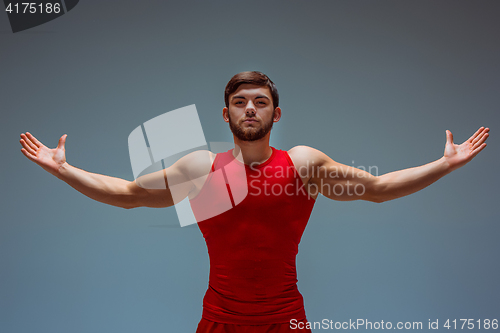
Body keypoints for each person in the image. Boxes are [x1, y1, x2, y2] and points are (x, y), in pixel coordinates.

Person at [20, 71, 489, 333]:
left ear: (276, 113)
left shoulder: (304, 165)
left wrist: (443, 165)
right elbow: (126, 195)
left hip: (286, 320)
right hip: (219, 321)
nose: (250, 108)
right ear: (226, 114)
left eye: (260, 102)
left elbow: (381, 188)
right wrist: (64, 170)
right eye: (241, 102)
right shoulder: (200, 169)